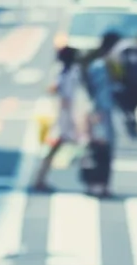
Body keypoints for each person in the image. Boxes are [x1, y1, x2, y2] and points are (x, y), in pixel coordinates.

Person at [33, 46, 80, 192]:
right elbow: (66, 98)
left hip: (60, 116)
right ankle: (39, 179)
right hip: (62, 117)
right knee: (56, 147)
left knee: (55, 148)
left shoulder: (61, 72)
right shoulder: (68, 73)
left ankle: (40, 179)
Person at [81, 31, 120, 198]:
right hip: (101, 113)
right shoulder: (101, 66)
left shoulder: (101, 64)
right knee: (100, 150)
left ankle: (100, 185)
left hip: (104, 112)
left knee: (102, 150)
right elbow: (95, 91)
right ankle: (97, 184)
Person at [114, 31, 137, 137]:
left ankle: (131, 122)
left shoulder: (126, 51)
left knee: (130, 108)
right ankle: (131, 123)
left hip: (130, 84)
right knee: (131, 108)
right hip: (135, 84)